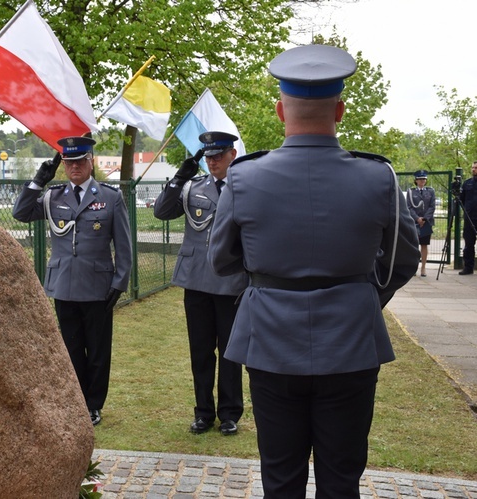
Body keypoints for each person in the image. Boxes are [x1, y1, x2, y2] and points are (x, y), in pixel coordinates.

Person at [207, 44, 420, 498]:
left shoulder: (244, 177)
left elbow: (221, 260)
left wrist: (268, 286)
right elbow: (401, 261)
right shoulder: (378, 176)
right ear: (339, 110)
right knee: (342, 478)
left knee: (280, 478)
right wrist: (360, 295)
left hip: (269, 342)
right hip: (351, 342)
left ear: (281, 110)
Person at [12, 136, 132, 426]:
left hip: (98, 286)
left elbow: (124, 244)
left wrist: (120, 281)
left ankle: (93, 405)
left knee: (98, 351)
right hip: (65, 284)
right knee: (71, 348)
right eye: (69, 162)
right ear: (63, 165)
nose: (75, 167)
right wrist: (38, 181)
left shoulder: (110, 197)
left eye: (80, 161)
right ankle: (76, 402)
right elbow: (21, 213)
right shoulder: (54, 196)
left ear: (91, 162)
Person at [153, 131, 248, 436]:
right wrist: (178, 178)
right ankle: (203, 412)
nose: (212, 162)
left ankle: (230, 413)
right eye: (208, 157)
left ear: (232, 155)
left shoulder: (244, 188)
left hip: (231, 282)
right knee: (200, 350)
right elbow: (161, 211)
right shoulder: (193, 187)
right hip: (196, 280)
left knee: (231, 351)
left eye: (218, 156)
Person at [406, 170, 436, 277]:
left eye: (424, 179)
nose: (422, 181)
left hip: (426, 222)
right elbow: (409, 207)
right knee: (414, 246)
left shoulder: (431, 191)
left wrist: (424, 219)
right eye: (420, 179)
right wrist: (417, 218)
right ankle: (414, 267)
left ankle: (423, 268)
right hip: (414, 222)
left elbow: (432, 206)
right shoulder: (411, 191)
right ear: (416, 180)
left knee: (424, 245)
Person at [457, 161, 477, 275]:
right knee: (469, 243)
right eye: (473, 167)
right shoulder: (467, 183)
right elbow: (462, 199)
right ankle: (468, 267)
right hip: (469, 218)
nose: (474, 169)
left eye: (476, 167)